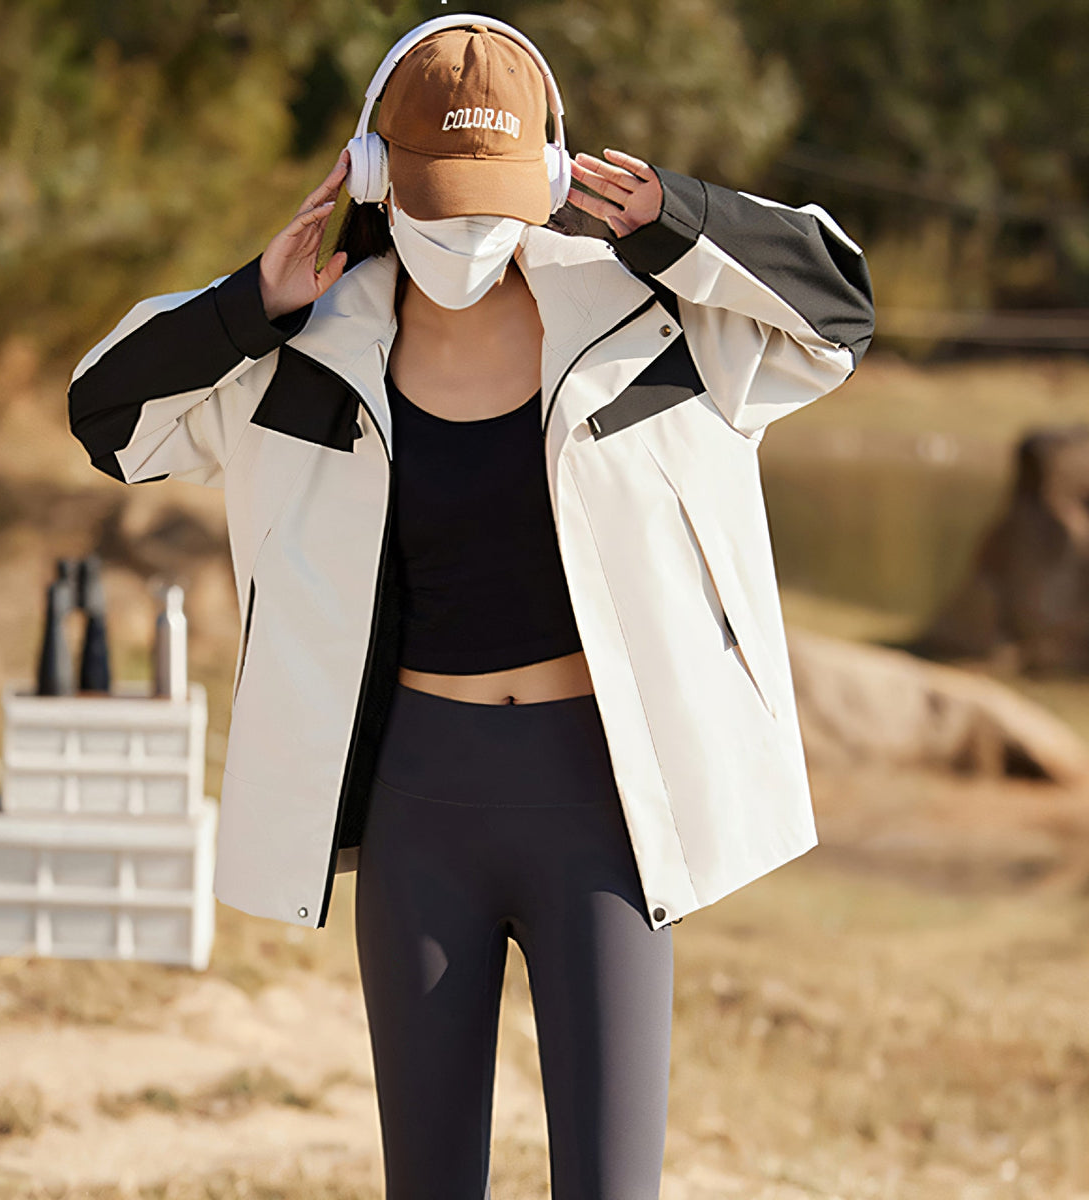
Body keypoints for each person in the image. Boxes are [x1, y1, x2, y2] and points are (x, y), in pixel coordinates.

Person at [67, 16, 875, 1199]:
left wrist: (682, 221)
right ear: (377, 178)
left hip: (602, 806)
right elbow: (108, 422)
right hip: (421, 808)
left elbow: (840, 315)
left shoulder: (653, 321)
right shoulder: (303, 352)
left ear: (547, 177)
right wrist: (249, 306)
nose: (465, 234)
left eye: (492, 200)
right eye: (439, 199)